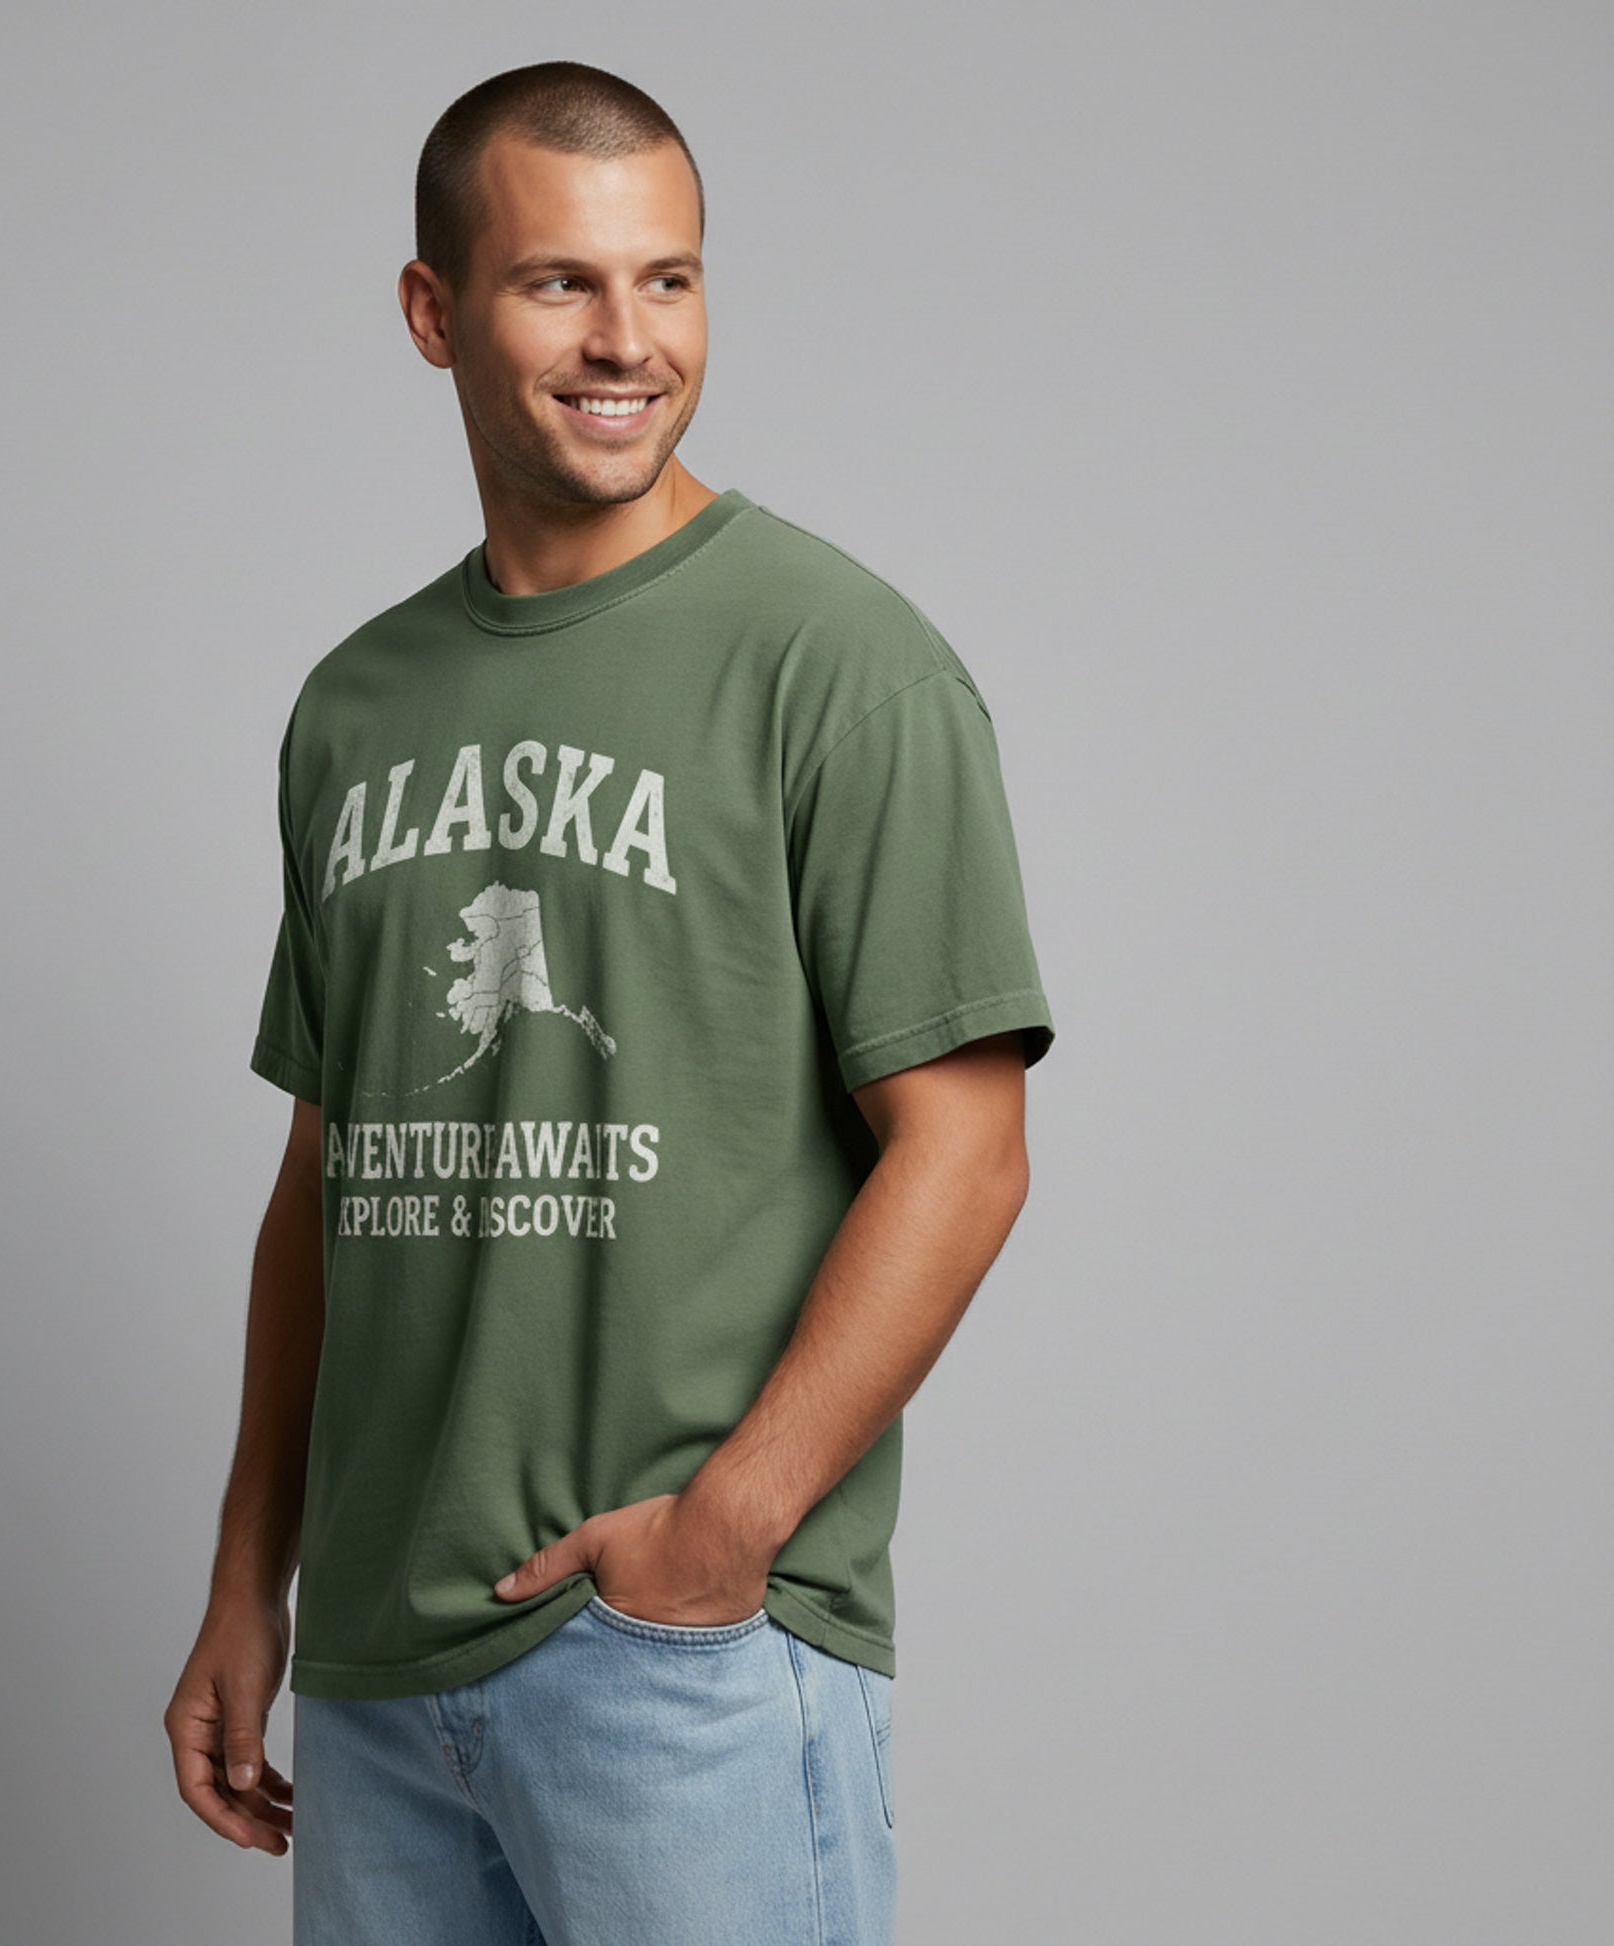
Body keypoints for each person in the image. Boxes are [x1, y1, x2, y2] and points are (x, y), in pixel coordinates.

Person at [164, 58, 1057, 1945]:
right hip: (383, 1682)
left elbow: (965, 1154)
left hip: (673, 1662)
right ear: (433, 311)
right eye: (559, 282)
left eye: (669, 280)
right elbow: (326, 1171)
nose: (626, 341)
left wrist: (722, 1533)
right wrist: (254, 1582)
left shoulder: (842, 669)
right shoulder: (354, 707)